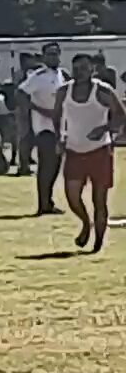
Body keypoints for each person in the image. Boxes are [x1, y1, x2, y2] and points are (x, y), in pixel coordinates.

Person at [52, 54, 126, 252]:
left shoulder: (102, 91)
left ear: (92, 70)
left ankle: (98, 243)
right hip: (74, 149)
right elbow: (57, 115)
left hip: (99, 151)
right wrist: (59, 137)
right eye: (76, 68)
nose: (79, 72)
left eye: (84, 68)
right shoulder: (63, 91)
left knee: (99, 199)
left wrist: (104, 129)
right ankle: (86, 223)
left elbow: (121, 115)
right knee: (72, 196)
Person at [17, 42, 69, 215]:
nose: (53, 57)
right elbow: (21, 93)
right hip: (44, 127)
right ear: (44, 56)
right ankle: (43, 204)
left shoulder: (62, 75)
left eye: (55, 54)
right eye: (49, 54)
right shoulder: (38, 76)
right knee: (46, 165)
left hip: (59, 126)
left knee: (55, 166)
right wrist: (36, 109)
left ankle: (48, 201)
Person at [13, 53, 40, 176]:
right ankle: (23, 165)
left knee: (29, 138)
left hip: (29, 108)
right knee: (25, 137)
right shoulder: (24, 74)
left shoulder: (25, 73)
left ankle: (25, 163)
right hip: (24, 109)